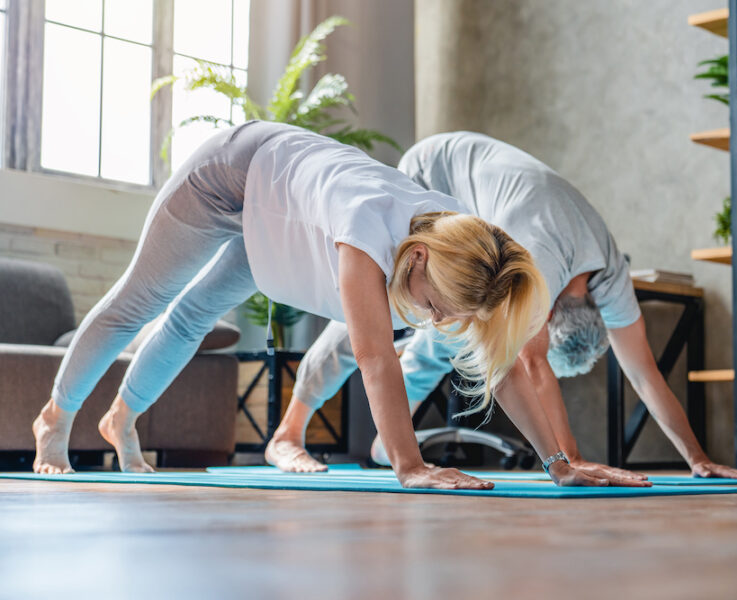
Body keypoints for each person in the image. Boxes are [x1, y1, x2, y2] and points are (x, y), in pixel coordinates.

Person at [32, 122, 607, 490]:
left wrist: (558, 463)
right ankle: (54, 418)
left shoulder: (459, 250)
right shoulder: (367, 229)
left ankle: (120, 418)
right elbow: (375, 358)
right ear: (416, 259)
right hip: (229, 176)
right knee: (144, 301)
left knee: (195, 318)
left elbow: (497, 364)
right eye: (433, 307)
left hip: (281, 220)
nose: (434, 323)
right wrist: (411, 468)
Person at [265, 131, 737, 483]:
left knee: (452, 329)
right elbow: (529, 360)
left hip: (486, 195)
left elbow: (645, 374)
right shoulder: (538, 262)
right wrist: (570, 460)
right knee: (370, 309)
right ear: (548, 315)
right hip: (433, 171)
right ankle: (290, 431)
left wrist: (697, 458)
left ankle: (389, 436)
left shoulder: (610, 276)